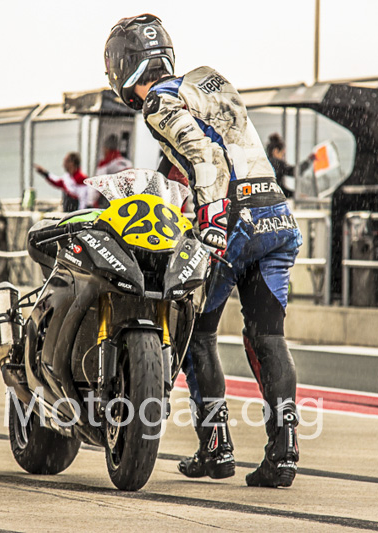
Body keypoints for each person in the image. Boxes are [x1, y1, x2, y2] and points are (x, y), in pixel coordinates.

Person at [105, 14, 303, 488]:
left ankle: (216, 447)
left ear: (122, 66)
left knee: (196, 335)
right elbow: (218, 146)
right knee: (268, 337)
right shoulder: (208, 81)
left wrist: (211, 223)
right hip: (275, 214)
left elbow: (202, 156)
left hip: (232, 221)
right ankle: (284, 452)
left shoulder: (157, 101)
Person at [266, 133, 314, 198]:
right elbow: (295, 172)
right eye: (282, 154)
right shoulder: (277, 163)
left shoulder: (264, 163)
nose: (283, 157)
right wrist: (309, 160)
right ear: (275, 151)